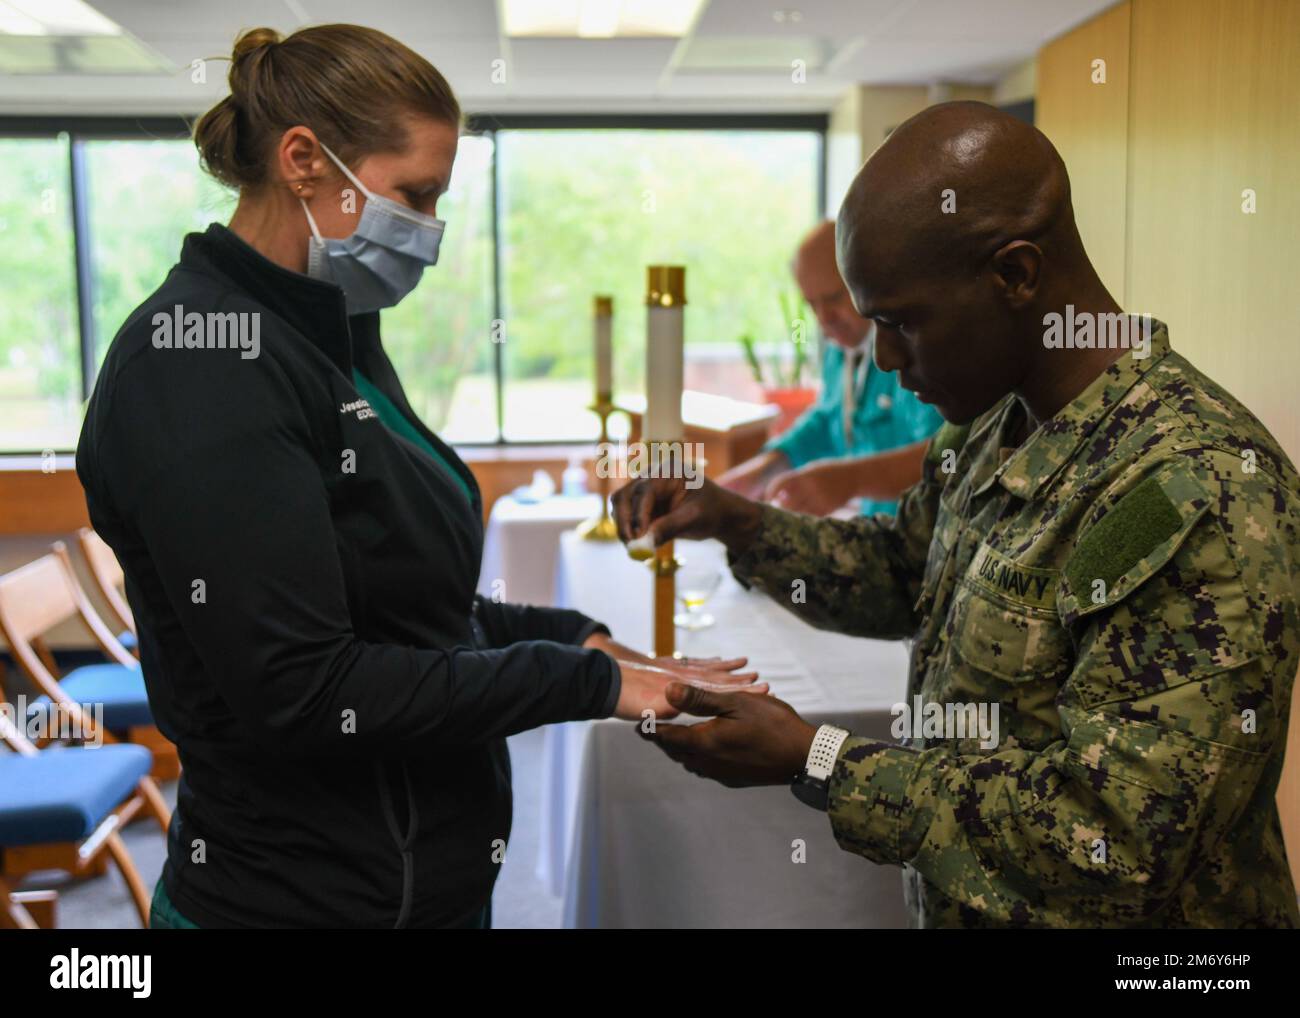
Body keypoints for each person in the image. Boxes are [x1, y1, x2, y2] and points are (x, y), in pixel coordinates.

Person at [76, 24, 762, 929]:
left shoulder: (331, 332)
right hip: (295, 904)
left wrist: (583, 640)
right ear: (303, 161)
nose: (430, 230)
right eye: (417, 195)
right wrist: (580, 684)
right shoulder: (202, 360)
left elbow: (406, 606)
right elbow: (308, 690)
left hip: (416, 885)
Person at [613, 101, 1300, 928]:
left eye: (901, 322)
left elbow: (1118, 837)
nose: (886, 358)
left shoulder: (1192, 486)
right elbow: (905, 571)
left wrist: (819, 757)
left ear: (1015, 275)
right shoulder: (990, 426)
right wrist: (735, 520)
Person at [716, 221, 941, 516]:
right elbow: (828, 421)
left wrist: (851, 479)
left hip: (928, 540)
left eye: (834, 297)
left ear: (870, 279)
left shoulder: (917, 351)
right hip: (877, 535)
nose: (824, 319)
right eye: (812, 304)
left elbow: (944, 457)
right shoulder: (839, 351)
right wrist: (762, 470)